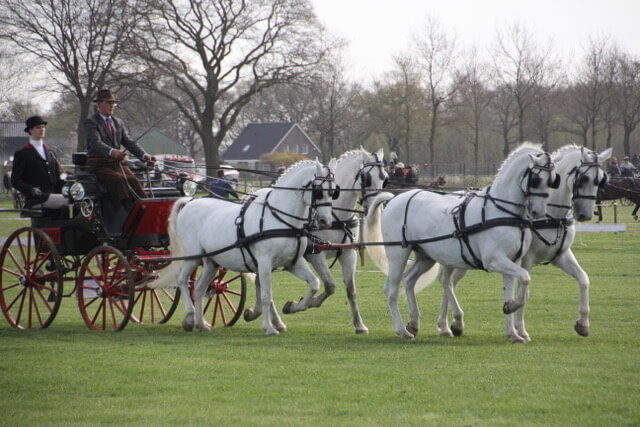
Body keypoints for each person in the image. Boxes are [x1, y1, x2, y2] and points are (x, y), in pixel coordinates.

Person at [84, 89, 155, 209]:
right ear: (99, 104)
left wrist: (144, 156)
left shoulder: (118, 122)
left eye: (114, 103)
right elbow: (95, 142)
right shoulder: (91, 122)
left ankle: (145, 208)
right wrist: (112, 152)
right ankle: (127, 211)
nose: (112, 106)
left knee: (133, 180)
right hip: (99, 165)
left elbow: (128, 142)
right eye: (109, 102)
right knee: (119, 180)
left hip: (118, 164)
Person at [11, 116, 68, 210]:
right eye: (38, 127)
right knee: (69, 202)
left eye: (43, 127)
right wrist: (31, 190)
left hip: (55, 195)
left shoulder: (51, 152)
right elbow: (15, 181)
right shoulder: (23, 154)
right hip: (37, 199)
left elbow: (57, 178)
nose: (42, 129)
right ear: (30, 130)